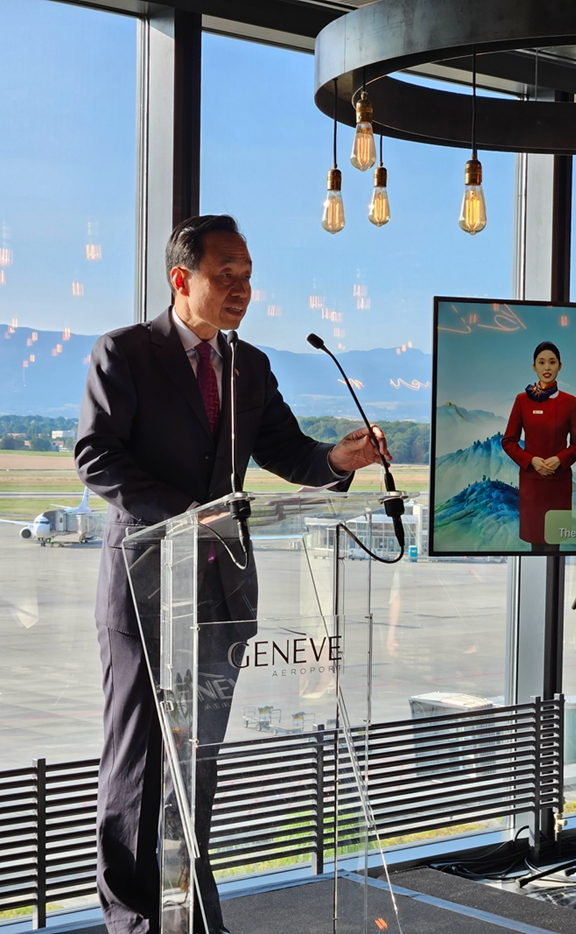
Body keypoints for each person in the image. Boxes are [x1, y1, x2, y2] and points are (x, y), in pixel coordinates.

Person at [74, 214, 392, 934]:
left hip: (221, 592)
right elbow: (96, 457)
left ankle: (191, 912)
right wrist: (188, 516)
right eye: (227, 276)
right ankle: (131, 921)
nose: (242, 289)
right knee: (137, 762)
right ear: (181, 278)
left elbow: (287, 451)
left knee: (198, 764)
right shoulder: (125, 352)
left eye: (247, 276)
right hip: (144, 590)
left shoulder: (249, 364)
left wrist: (337, 460)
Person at [501, 341, 576, 552]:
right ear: (534, 367)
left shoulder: (570, 402)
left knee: (554, 545)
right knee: (536, 545)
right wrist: (531, 461)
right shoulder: (522, 400)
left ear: (560, 366)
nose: (547, 367)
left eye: (552, 362)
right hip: (533, 484)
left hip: (558, 484)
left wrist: (559, 459)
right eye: (541, 362)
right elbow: (508, 441)